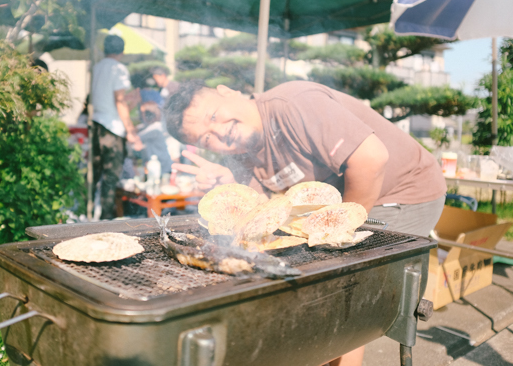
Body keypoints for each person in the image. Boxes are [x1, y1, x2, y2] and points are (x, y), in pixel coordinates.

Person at [164, 80, 446, 366]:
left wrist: (337, 229)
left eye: (214, 116)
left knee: (345, 290)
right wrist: (230, 184)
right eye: (206, 139)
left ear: (227, 91)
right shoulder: (243, 152)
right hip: (340, 203)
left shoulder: (293, 103)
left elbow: (372, 160)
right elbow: (270, 211)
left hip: (404, 191)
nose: (220, 132)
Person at [91, 35, 143, 220]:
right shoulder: (119, 68)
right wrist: (130, 131)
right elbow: (119, 101)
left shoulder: (96, 67)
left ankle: (87, 213)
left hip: (96, 125)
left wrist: (128, 103)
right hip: (112, 129)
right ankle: (105, 219)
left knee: (94, 174)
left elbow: (110, 100)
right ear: (122, 51)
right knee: (110, 177)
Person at [137, 101, 173, 175]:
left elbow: (137, 137)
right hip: (157, 165)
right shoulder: (152, 126)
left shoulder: (155, 127)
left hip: (162, 166)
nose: (141, 115)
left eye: (144, 113)